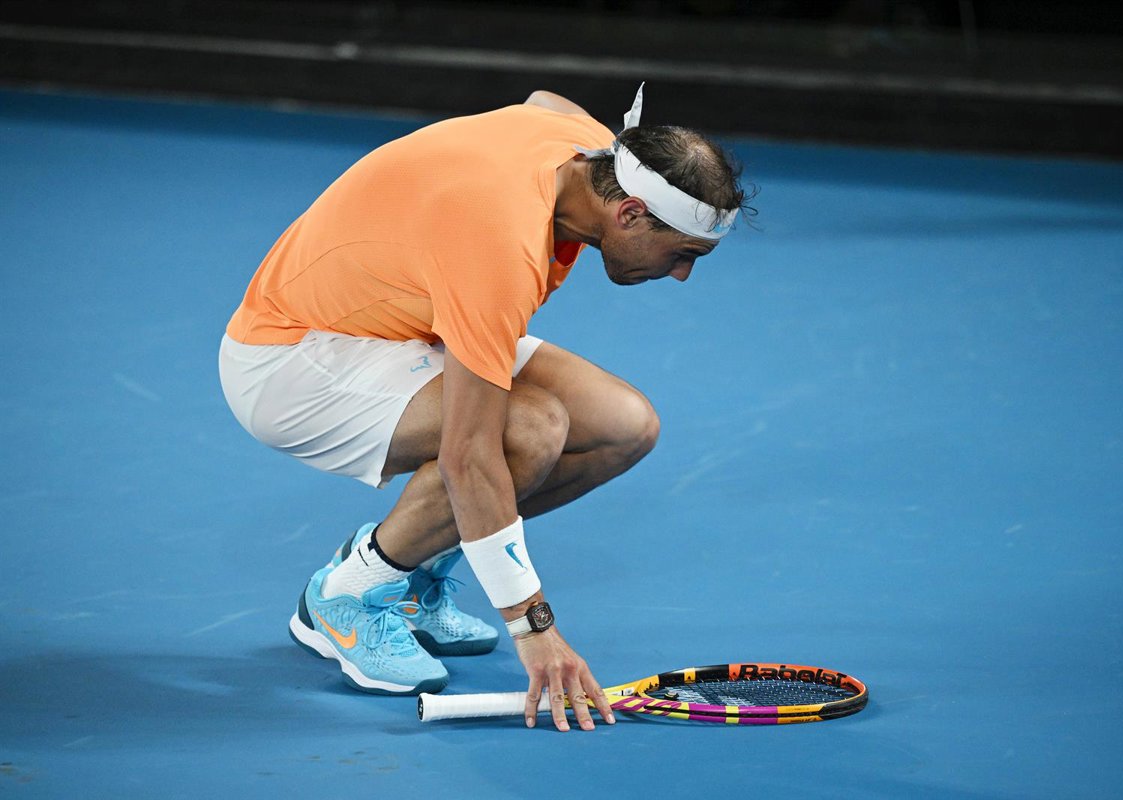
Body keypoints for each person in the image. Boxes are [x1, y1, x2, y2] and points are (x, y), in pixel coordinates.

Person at [218, 84, 749, 732]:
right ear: (631, 213)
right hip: (290, 362)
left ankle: (411, 574)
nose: (683, 274)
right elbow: (468, 457)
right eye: (683, 253)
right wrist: (534, 629)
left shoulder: (589, 152)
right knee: (529, 430)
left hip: (400, 321)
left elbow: (544, 101)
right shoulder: (499, 244)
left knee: (625, 427)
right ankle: (347, 594)